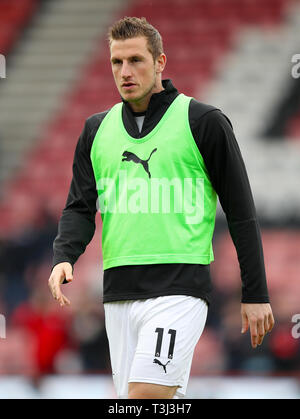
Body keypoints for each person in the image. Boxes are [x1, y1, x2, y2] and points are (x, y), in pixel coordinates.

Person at [48, 17, 275, 399]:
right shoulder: (95, 130)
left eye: (136, 60)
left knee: (144, 397)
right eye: (116, 62)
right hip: (118, 293)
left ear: (160, 62)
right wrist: (63, 255)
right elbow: (80, 207)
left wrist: (255, 293)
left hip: (179, 291)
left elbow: (242, 213)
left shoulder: (203, 122)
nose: (125, 71)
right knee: (150, 400)